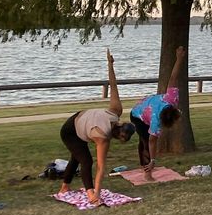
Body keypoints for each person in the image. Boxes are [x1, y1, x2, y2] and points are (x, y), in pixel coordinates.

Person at [58, 50, 134, 204]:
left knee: (76, 156)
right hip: (70, 131)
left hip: (79, 121)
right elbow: (101, 167)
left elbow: (113, 85)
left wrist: (110, 64)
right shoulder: (102, 137)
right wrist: (96, 193)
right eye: (121, 139)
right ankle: (89, 193)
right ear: (119, 134)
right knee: (86, 161)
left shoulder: (116, 111)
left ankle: (64, 187)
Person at [129, 46, 185, 175]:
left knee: (144, 140)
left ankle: (146, 165)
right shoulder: (156, 122)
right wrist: (153, 159)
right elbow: (152, 141)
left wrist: (179, 59)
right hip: (137, 115)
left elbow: (173, 78)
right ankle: (147, 170)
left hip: (146, 107)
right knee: (146, 140)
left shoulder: (171, 98)